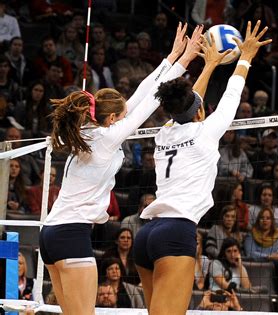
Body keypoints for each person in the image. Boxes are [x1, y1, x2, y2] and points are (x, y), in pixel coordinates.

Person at [38, 23, 200, 315]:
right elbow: (149, 102)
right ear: (112, 118)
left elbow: (139, 95)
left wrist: (172, 57)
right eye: (122, 116)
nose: (127, 118)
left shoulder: (88, 128)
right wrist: (184, 62)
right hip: (71, 236)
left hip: (50, 234)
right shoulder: (107, 139)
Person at [133, 21, 270, 315]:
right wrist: (245, 56)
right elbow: (232, 94)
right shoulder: (205, 132)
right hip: (176, 231)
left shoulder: (164, 132)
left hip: (146, 234)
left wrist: (208, 66)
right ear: (199, 111)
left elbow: (188, 102)